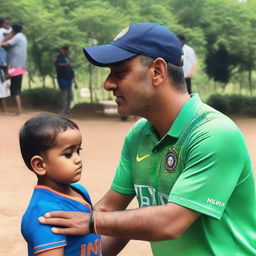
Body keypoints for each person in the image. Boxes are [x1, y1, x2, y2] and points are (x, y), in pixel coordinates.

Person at [39, 23, 256, 256]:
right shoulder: (140, 134)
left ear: (157, 72)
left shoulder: (214, 134)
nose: (108, 84)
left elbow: (171, 222)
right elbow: (111, 209)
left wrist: (92, 221)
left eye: (119, 72)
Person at [19, 113, 101, 256]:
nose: (78, 160)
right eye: (68, 154)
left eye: (78, 151)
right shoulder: (45, 213)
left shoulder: (80, 191)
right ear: (39, 165)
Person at [1, 23, 27, 115]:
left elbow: (6, 44)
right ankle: (17, 109)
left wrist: (2, 40)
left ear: (13, 30)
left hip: (15, 68)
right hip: (19, 67)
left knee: (14, 89)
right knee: (14, 87)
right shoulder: (22, 36)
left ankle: (19, 109)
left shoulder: (17, 37)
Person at [55, 45, 77, 116]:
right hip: (62, 79)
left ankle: (67, 110)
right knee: (64, 96)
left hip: (69, 80)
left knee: (69, 96)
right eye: (65, 50)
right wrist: (66, 64)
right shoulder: (59, 58)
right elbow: (58, 64)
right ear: (62, 50)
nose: (67, 52)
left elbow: (71, 71)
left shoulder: (68, 58)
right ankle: (63, 111)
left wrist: (75, 82)